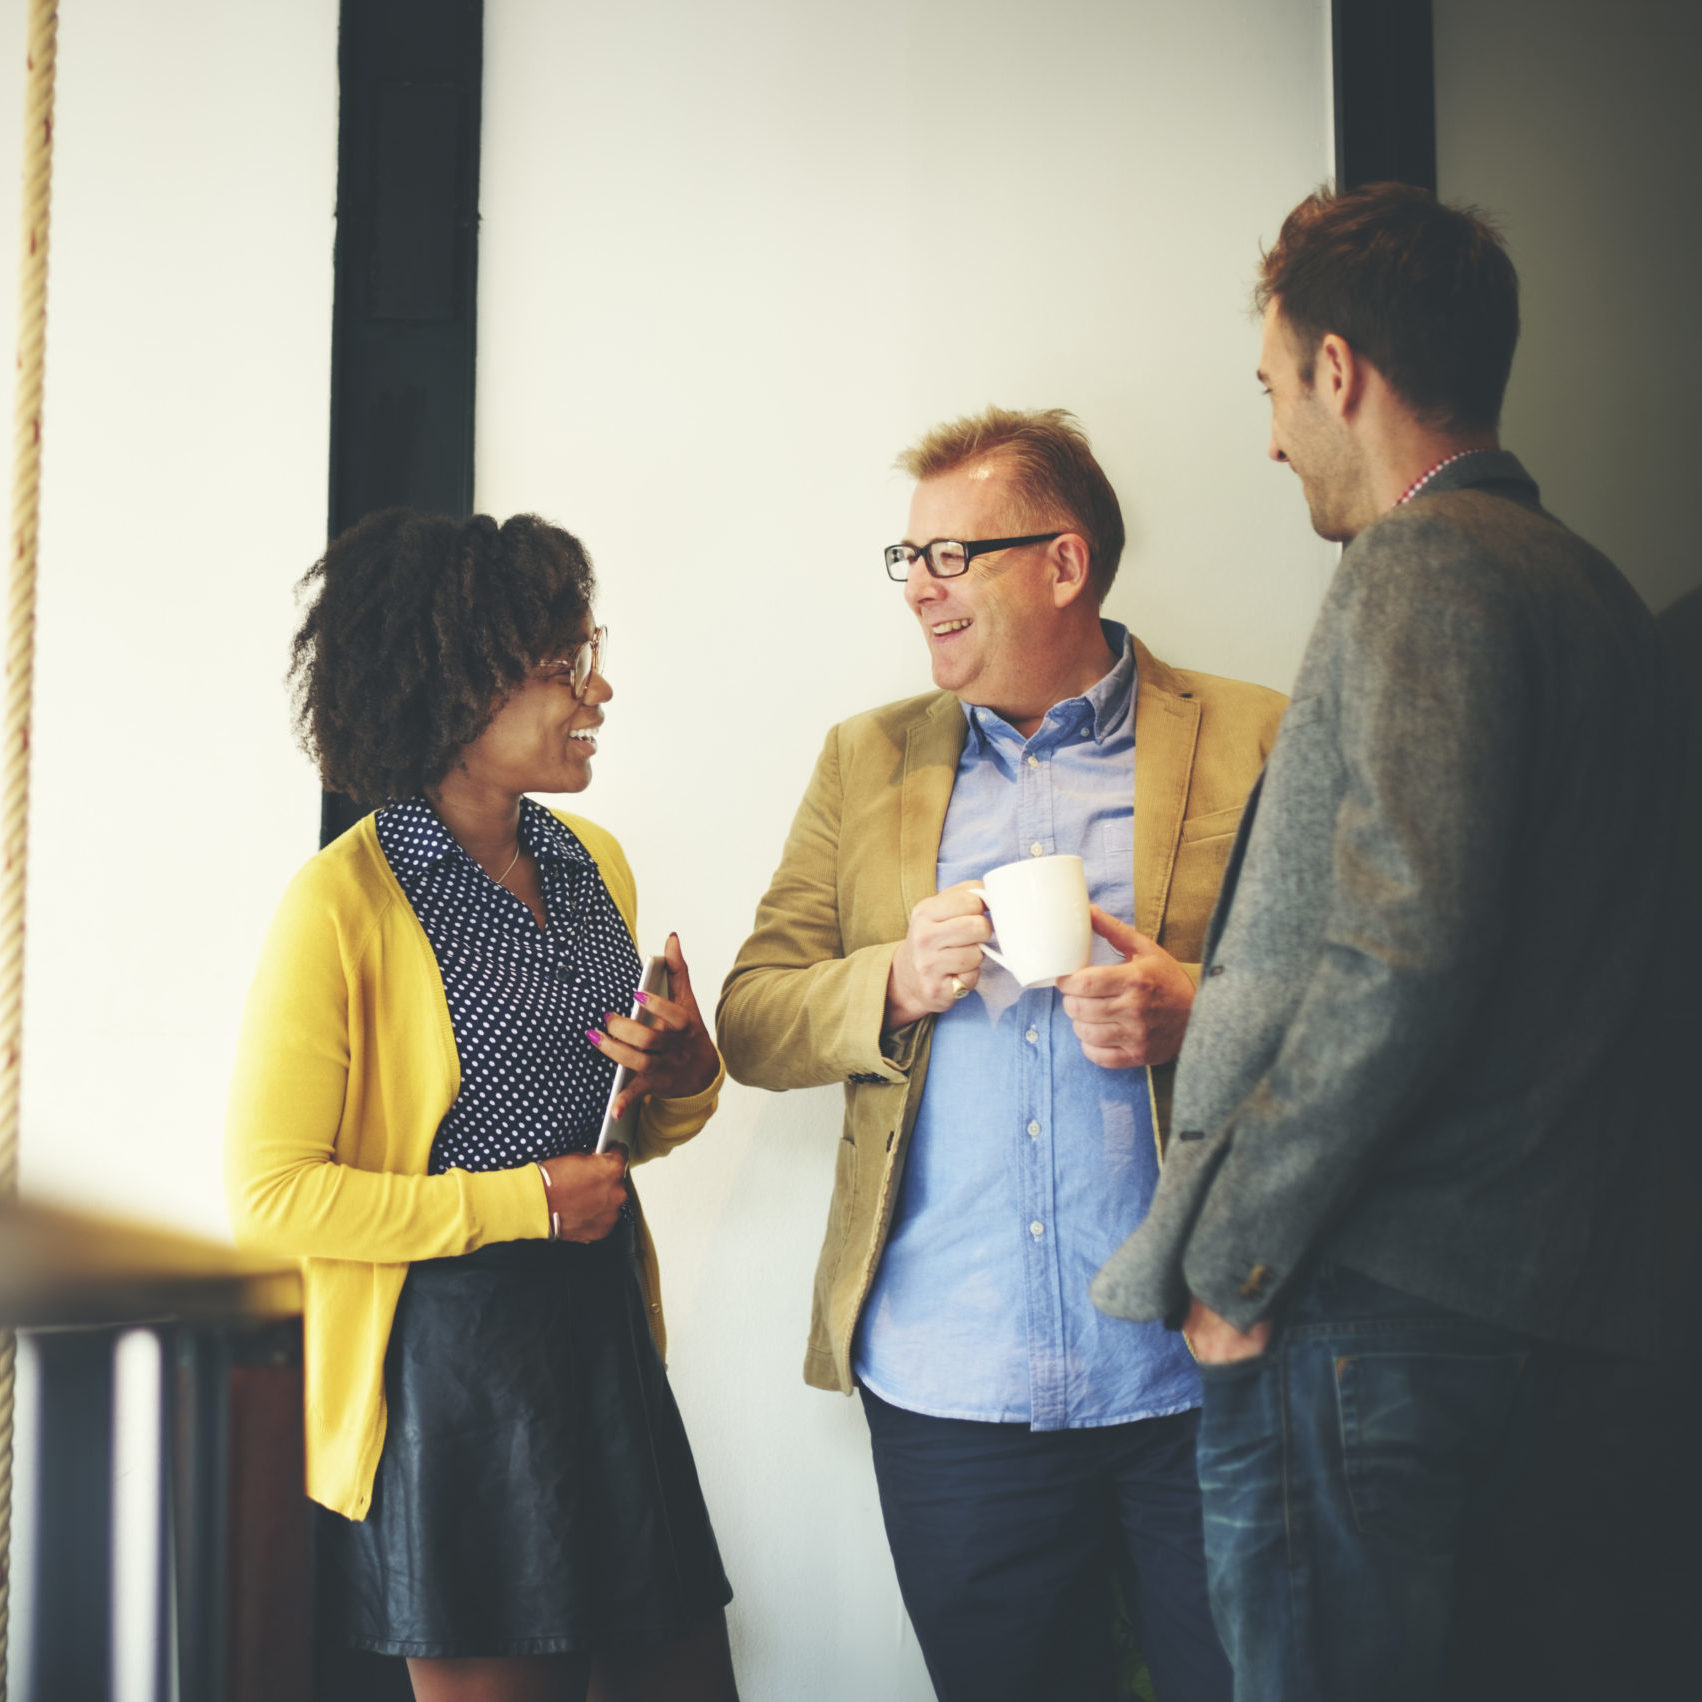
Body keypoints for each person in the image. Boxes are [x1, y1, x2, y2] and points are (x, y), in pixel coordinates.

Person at [1091, 183, 1684, 1702]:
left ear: (1338, 370)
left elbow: (1403, 947)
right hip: (1556, 1307)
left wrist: (1237, 1252)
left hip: (1371, 1318)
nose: (1273, 434)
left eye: (1275, 389)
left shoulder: (1423, 567)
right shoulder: (1601, 593)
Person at [717, 408, 1285, 1702]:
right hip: (949, 1381)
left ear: (1062, 562)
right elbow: (752, 1013)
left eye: (948, 555)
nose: (916, 587)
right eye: (904, 558)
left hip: (1194, 1366)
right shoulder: (865, 759)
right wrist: (889, 981)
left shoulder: (1255, 734)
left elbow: (1358, 1003)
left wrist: (1192, 1006)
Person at [226, 510, 738, 1702]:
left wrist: (679, 1078)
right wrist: (525, 1204)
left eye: (586, 649)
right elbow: (271, 1195)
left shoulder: (589, 857)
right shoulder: (342, 905)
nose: (597, 686)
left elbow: (621, 1137)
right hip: (450, 1380)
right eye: (563, 662)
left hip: (602, 1344)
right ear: (452, 683)